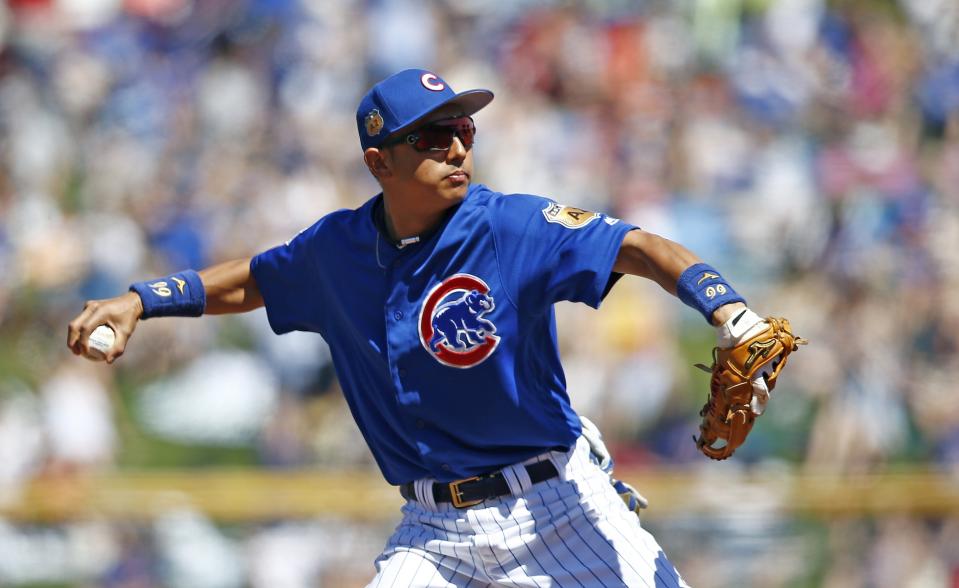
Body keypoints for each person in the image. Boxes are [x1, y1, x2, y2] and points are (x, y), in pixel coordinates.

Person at [68, 68, 771, 587]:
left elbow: (637, 247)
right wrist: (142, 299)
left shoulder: (508, 225)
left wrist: (729, 312)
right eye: (434, 137)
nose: (458, 148)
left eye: (463, 130)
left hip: (557, 505)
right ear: (380, 162)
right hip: (435, 533)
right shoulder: (335, 251)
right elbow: (254, 280)